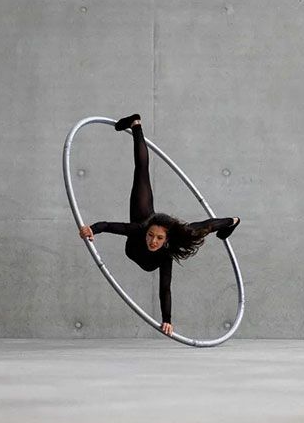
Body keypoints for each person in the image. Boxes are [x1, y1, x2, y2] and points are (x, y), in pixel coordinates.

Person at [79, 114, 240, 336]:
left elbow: (165, 288)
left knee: (203, 228)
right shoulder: (140, 230)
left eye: (159, 238)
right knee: (141, 171)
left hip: (160, 227)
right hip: (143, 218)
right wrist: (92, 229)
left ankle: (232, 221)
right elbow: (107, 226)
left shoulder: (166, 254)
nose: (153, 241)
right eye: (151, 236)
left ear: (166, 239)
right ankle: (136, 125)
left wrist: (167, 320)